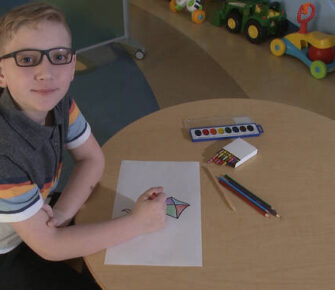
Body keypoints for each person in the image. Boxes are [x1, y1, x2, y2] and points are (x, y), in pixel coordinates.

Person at [0, 2, 167, 289]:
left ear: (73, 65)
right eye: (27, 60)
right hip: (8, 249)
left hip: (40, 212)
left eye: (58, 56)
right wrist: (139, 223)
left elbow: (92, 159)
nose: (46, 72)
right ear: (1, 73)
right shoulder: (5, 154)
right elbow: (49, 246)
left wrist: (63, 214)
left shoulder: (59, 101)